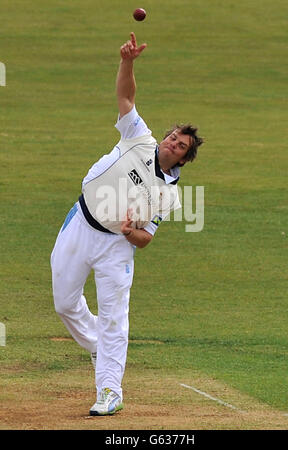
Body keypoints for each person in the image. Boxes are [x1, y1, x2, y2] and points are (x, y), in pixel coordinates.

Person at [50, 32, 203, 416]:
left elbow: (146, 238)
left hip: (117, 247)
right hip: (81, 223)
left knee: (116, 319)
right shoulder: (138, 136)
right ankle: (99, 346)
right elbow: (126, 96)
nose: (171, 143)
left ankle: (109, 390)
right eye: (172, 137)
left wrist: (130, 231)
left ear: (184, 160)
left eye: (180, 145)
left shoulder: (169, 196)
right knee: (65, 302)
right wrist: (128, 61)